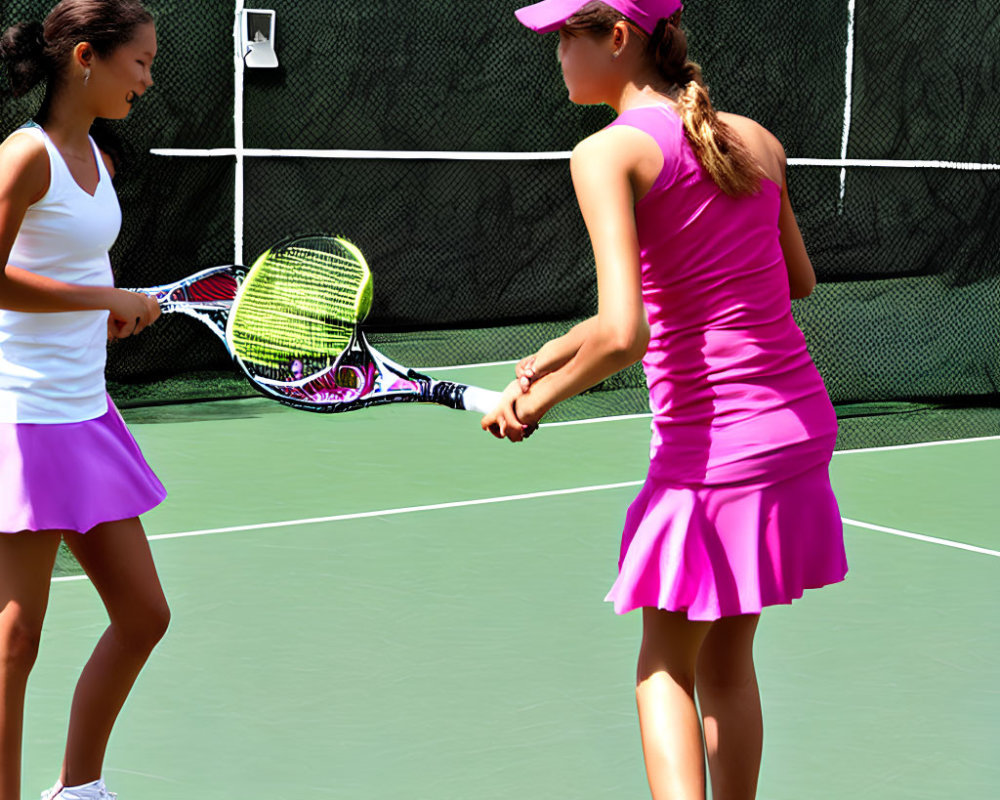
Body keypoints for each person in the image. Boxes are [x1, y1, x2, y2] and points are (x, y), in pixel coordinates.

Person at [484, 1, 848, 798]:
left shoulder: (605, 153)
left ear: (616, 37)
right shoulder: (753, 140)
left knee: (662, 667)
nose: (555, 55)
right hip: (795, 429)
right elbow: (791, 282)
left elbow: (626, 335)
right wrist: (558, 349)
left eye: (562, 38)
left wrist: (536, 402)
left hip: (713, 450)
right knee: (726, 660)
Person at [0, 2, 167, 799]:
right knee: (14, 640)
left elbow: (68, 280)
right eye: (139, 61)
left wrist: (102, 318)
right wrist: (99, 299)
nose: (147, 78)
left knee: (144, 614)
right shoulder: (23, 157)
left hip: (85, 411)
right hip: (21, 416)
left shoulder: (99, 158)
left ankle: (78, 789)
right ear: (85, 60)